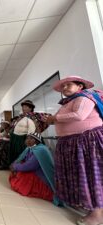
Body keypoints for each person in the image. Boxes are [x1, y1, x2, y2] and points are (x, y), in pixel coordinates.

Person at [44, 76, 103, 225]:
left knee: (90, 175)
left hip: (87, 142)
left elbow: (79, 115)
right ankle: (86, 204)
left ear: (80, 86)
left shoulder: (85, 98)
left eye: (68, 85)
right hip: (72, 143)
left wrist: (54, 118)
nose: (64, 88)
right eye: (62, 87)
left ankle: (97, 214)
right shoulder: (69, 102)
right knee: (79, 175)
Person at [9, 133, 56, 203]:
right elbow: (20, 158)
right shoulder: (30, 148)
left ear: (37, 141)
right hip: (34, 171)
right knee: (20, 170)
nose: (28, 140)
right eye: (27, 138)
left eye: (31, 139)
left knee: (23, 176)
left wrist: (15, 167)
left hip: (42, 177)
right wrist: (14, 164)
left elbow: (29, 166)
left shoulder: (40, 150)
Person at [8, 100, 49, 165]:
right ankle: (16, 167)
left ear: (30, 108)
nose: (23, 108)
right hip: (16, 139)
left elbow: (33, 128)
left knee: (24, 155)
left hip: (24, 140)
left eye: (26, 106)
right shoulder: (20, 117)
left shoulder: (33, 116)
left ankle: (23, 168)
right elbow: (13, 126)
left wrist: (29, 138)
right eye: (23, 106)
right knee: (16, 154)